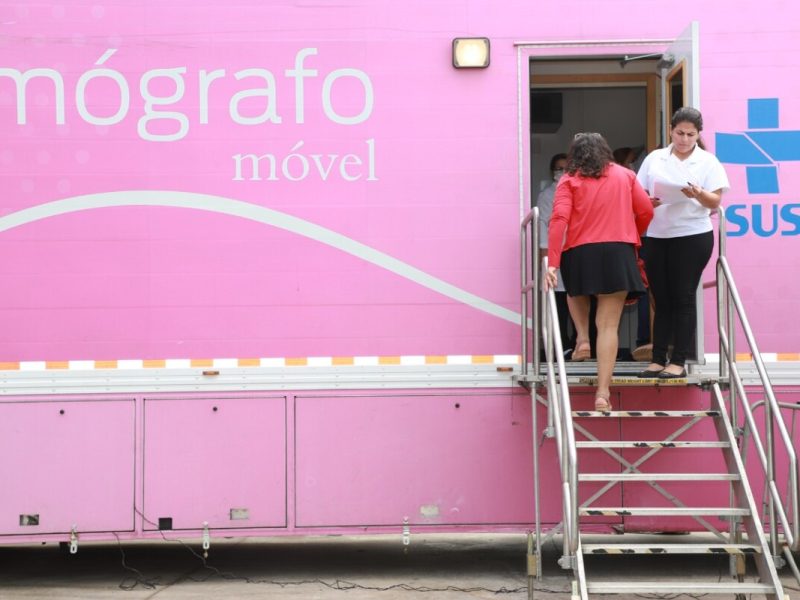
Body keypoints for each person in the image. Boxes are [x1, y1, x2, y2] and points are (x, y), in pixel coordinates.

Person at [546, 133, 653, 411]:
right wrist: (632, 233)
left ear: (575, 155)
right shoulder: (625, 175)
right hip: (618, 250)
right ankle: (603, 393)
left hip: (579, 251)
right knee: (607, 326)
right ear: (605, 151)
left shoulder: (569, 179)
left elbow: (559, 219)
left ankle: (582, 338)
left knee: (574, 292)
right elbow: (646, 211)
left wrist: (552, 262)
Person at [635, 107, 730, 379]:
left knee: (684, 296)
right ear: (670, 131)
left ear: (698, 134)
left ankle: (678, 361)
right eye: (679, 133)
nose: (684, 139)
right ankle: (657, 359)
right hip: (657, 235)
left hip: (692, 235)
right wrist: (648, 202)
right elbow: (639, 193)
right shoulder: (655, 158)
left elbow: (715, 201)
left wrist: (699, 193)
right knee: (660, 298)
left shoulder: (708, 161)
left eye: (690, 134)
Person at [536, 153, 574, 356]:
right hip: (556, 253)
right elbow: (543, 226)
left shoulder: (578, 189)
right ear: (552, 172)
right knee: (559, 304)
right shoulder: (547, 195)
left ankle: (581, 345)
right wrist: (545, 256)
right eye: (558, 169)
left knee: (580, 302)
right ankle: (564, 347)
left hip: (576, 251)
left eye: (566, 168)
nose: (562, 172)